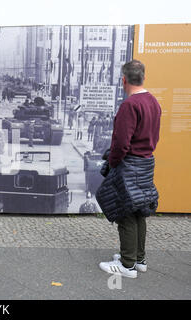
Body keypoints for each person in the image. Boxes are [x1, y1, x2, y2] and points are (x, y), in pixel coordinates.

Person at [98, 60, 161, 278]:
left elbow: (121, 143)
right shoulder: (153, 102)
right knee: (139, 211)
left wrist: (113, 162)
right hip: (146, 163)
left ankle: (127, 265)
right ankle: (138, 259)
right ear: (143, 77)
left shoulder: (130, 105)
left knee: (125, 212)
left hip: (129, 165)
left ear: (123, 80)